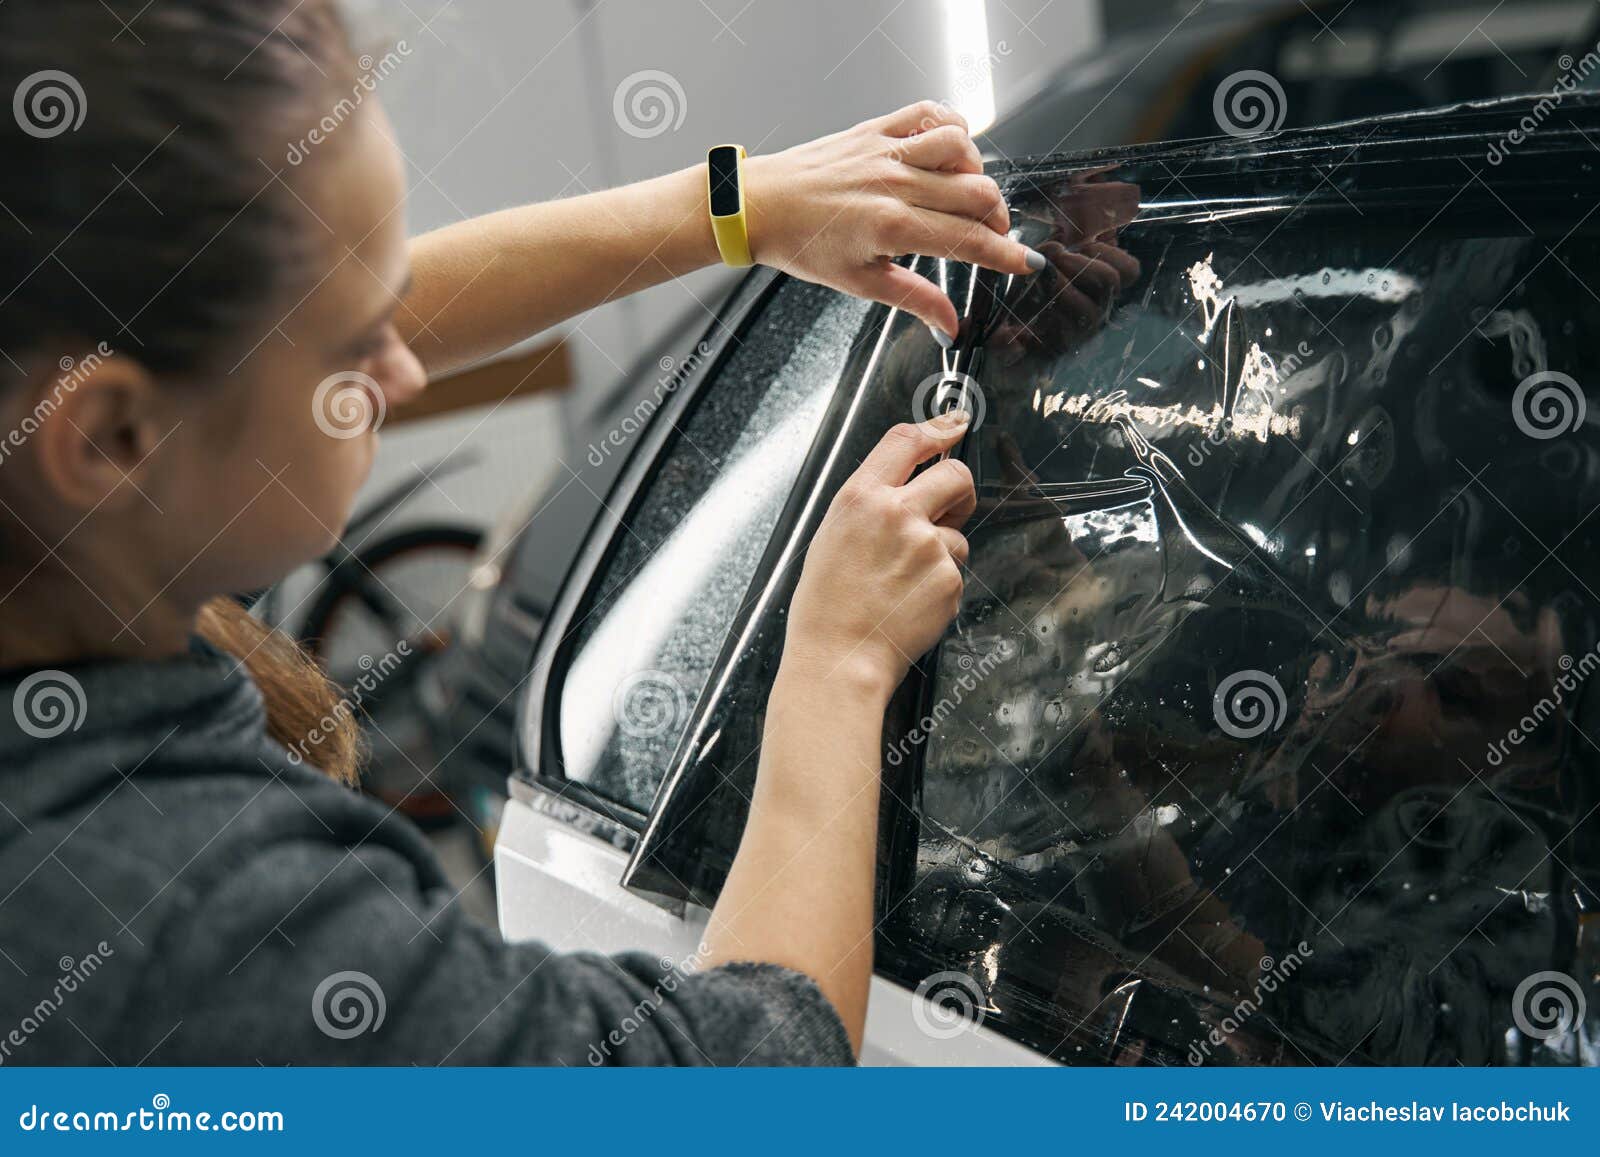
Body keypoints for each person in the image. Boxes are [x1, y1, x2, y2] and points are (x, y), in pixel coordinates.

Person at [0, 1, 1047, 1064]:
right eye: (360, 344)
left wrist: (735, 206)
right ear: (110, 433)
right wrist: (838, 661)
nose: (404, 371)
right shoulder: (213, 928)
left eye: (390, 309)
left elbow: (276, 325)